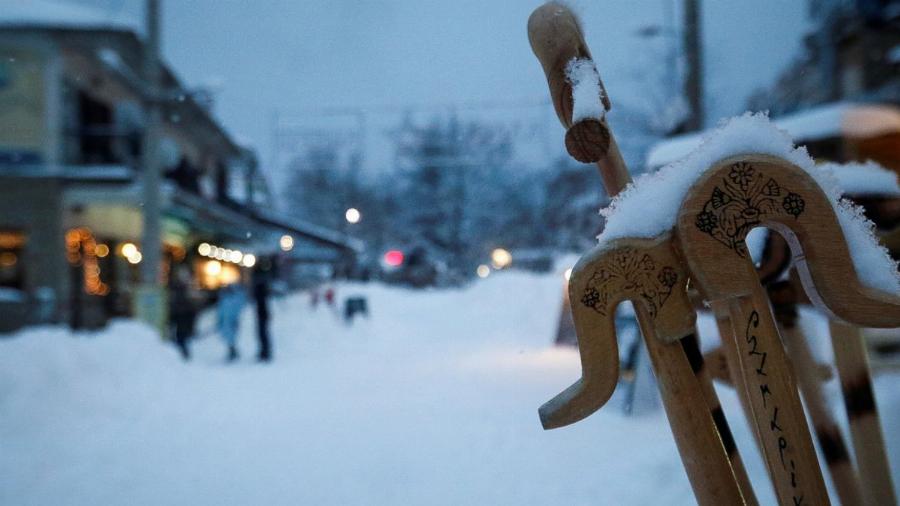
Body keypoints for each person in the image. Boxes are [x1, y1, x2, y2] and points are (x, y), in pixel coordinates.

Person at [168, 267, 198, 361]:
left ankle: (182, 354)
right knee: (181, 337)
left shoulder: (180, 291)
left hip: (182, 318)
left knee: (181, 337)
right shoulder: (182, 291)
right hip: (181, 317)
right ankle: (182, 354)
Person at [217, 281, 245, 362]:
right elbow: (220, 310)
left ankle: (233, 351)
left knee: (232, 337)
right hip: (225, 321)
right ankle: (231, 350)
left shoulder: (236, 298)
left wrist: (235, 320)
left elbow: (238, 309)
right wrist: (220, 320)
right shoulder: (224, 299)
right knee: (227, 337)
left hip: (232, 321)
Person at [252, 260, 273, 362]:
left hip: (262, 314)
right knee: (262, 333)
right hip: (262, 313)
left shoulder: (260, 288)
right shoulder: (263, 286)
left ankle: (265, 352)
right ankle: (264, 351)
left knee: (262, 333)